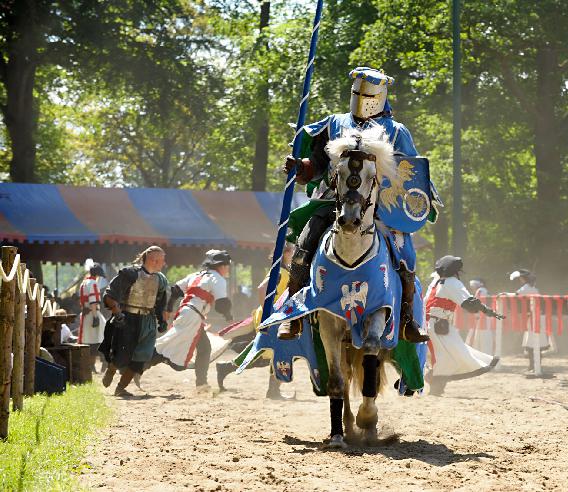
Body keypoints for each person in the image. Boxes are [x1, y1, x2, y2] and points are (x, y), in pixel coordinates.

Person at [277, 66, 437, 344]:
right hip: (333, 200)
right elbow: (317, 165)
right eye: (357, 93)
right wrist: (301, 167)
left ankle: (407, 319)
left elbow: (409, 171)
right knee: (305, 246)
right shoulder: (334, 124)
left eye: (369, 94)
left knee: (404, 255)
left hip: (381, 208)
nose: (362, 99)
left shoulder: (396, 132)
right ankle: (295, 314)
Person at [216, 245, 293, 397]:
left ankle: (226, 368)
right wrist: (268, 313)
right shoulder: (279, 271)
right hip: (272, 317)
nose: (294, 254)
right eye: (292, 251)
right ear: (285, 253)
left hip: (278, 317)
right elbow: (261, 288)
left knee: (267, 355)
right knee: (278, 353)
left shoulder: (285, 270)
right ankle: (273, 391)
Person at [153, 250, 233, 392]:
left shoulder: (196, 275)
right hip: (193, 316)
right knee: (168, 346)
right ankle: (138, 365)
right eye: (227, 265)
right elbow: (222, 304)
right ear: (221, 266)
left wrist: (169, 308)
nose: (228, 268)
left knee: (204, 348)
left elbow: (175, 290)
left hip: (187, 313)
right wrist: (228, 315)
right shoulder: (218, 279)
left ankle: (201, 384)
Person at [425, 256, 501, 396]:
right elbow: (469, 304)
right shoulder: (453, 283)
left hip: (433, 325)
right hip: (436, 326)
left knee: (453, 354)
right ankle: (434, 383)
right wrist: (487, 311)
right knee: (447, 356)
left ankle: (434, 382)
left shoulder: (435, 281)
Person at [99, 246, 169, 397]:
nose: (163, 263)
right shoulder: (130, 274)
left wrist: (161, 320)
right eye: (161, 260)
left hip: (147, 322)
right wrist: (117, 314)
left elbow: (160, 303)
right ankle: (112, 368)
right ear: (152, 260)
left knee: (141, 357)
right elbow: (110, 295)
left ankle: (121, 388)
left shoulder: (161, 280)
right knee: (122, 357)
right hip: (127, 319)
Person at [509, 269, 549, 373]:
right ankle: (533, 365)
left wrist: (505, 294)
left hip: (535, 317)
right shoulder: (532, 287)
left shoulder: (526, 288)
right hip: (534, 317)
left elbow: (516, 295)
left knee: (533, 343)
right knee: (533, 343)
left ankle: (534, 366)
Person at [78, 262, 108, 371]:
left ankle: (92, 366)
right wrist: (95, 317)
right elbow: (93, 302)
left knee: (90, 341)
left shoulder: (84, 282)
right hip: (92, 313)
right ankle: (104, 362)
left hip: (86, 315)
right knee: (101, 339)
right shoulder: (93, 284)